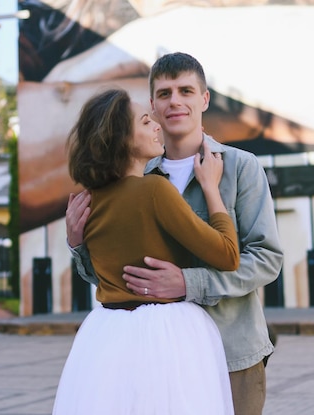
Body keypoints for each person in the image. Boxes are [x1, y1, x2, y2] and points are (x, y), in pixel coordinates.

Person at [66, 52, 284, 415]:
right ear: (152, 104)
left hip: (232, 353)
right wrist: (78, 245)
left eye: (186, 90)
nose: (175, 101)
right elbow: (108, 277)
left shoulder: (240, 167)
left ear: (204, 99)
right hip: (152, 361)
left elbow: (266, 259)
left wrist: (189, 283)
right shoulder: (129, 178)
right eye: (164, 93)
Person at [53, 88, 239, 414]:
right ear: (122, 138)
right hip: (167, 336)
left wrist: (76, 244)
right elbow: (227, 255)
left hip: (105, 339)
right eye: (145, 121)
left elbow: (100, 274)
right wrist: (211, 188)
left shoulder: (89, 201)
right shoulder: (154, 190)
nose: (157, 126)